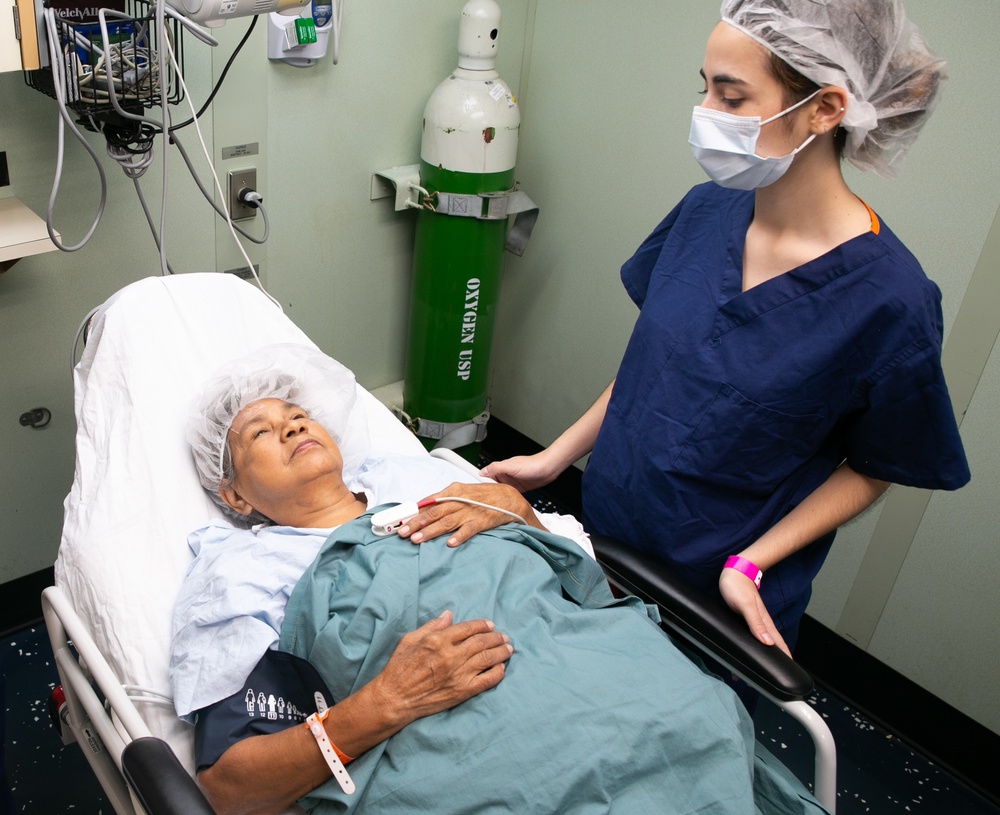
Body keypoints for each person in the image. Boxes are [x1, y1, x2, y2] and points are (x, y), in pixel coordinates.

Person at [481, 0, 970, 659]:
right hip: (608, 534)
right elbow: (656, 361)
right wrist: (554, 456)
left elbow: (876, 465)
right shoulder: (706, 211)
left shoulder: (890, 298)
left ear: (826, 109)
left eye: (732, 96)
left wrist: (753, 563)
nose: (706, 112)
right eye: (705, 87)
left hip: (720, 590)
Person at [170, 349, 826, 815]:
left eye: (296, 414)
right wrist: (384, 702)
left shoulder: (426, 477)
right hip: (499, 755)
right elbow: (229, 787)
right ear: (234, 492)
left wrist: (520, 514)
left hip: (622, 683)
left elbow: (579, 579)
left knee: (697, 717)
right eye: (260, 430)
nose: (289, 424)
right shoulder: (241, 576)